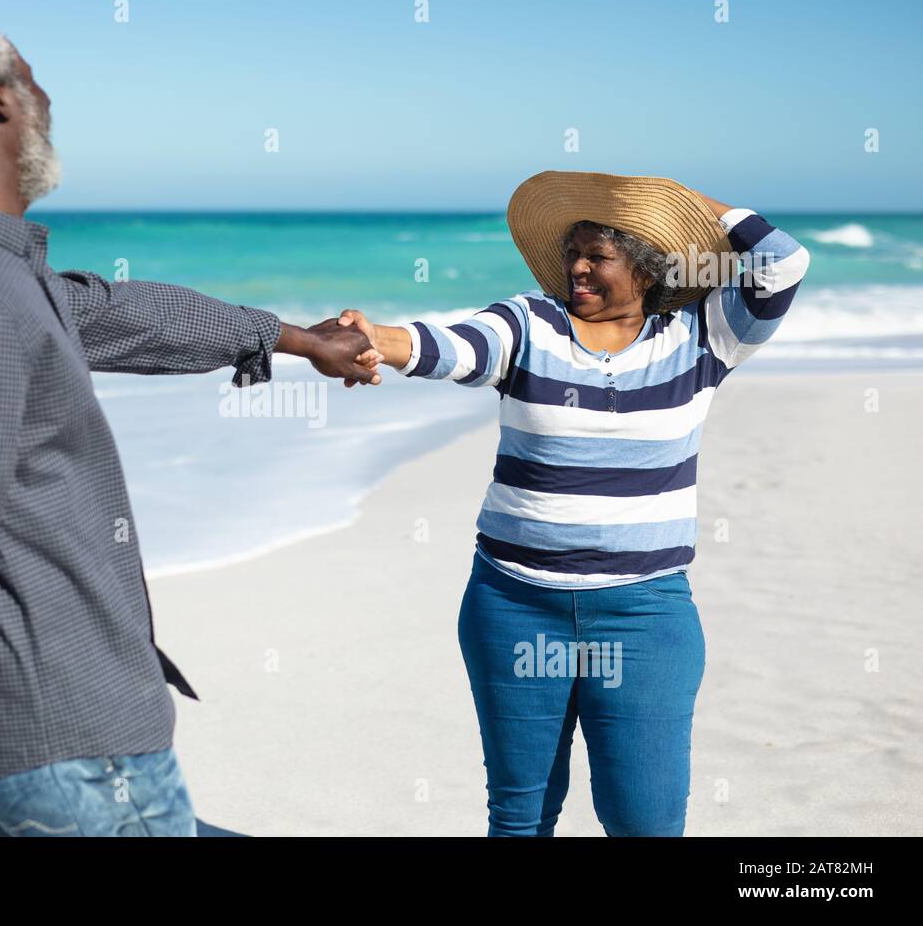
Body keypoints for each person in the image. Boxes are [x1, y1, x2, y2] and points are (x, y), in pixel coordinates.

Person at [0, 15, 381, 837]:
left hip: (29, 746)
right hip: (70, 748)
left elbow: (128, 314)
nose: (49, 97)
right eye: (33, 79)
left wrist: (299, 340)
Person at [337, 170, 810, 836]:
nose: (577, 268)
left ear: (647, 268)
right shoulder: (530, 324)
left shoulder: (703, 341)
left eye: (598, 256)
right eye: (572, 253)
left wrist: (681, 203)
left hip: (645, 614)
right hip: (514, 604)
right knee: (522, 814)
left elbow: (783, 262)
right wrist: (371, 338)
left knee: (644, 819)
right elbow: (449, 346)